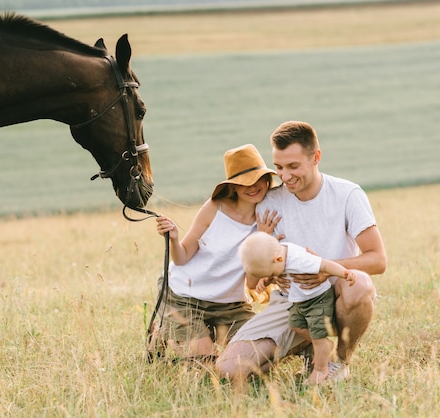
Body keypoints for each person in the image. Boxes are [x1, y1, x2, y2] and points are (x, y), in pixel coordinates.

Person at [216, 121, 387, 387]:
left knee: (361, 285)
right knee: (229, 369)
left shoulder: (347, 194)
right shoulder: (269, 204)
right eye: (279, 167)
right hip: (290, 304)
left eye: (293, 166)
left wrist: (324, 268)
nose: (285, 176)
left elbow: (378, 259)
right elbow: (254, 281)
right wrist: (270, 276)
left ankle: (337, 361)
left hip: (336, 292)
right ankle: (305, 345)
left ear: (316, 157)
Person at [149, 144, 281, 360]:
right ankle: (164, 328)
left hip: (229, 305)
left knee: (258, 356)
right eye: (243, 182)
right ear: (233, 186)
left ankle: (201, 331)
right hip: (183, 296)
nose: (253, 186)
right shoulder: (214, 208)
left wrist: (263, 239)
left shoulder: (267, 220)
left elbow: (250, 283)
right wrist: (173, 237)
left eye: (258, 179)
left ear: (267, 180)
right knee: (204, 362)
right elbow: (181, 258)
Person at [238, 231, 356, 384]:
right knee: (295, 325)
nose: (274, 277)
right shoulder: (277, 256)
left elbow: (325, 264)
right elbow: (272, 272)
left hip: (317, 300)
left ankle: (321, 369)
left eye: (272, 273)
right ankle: (323, 345)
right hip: (300, 301)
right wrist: (266, 281)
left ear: (278, 259)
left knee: (317, 333)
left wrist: (344, 273)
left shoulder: (300, 259)